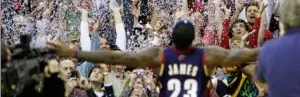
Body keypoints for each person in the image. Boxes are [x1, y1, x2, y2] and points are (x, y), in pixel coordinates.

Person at [48, 19, 259, 96]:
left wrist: (74, 52)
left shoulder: (159, 56)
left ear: (172, 40)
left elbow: (114, 58)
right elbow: (248, 53)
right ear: (193, 39)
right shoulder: (209, 55)